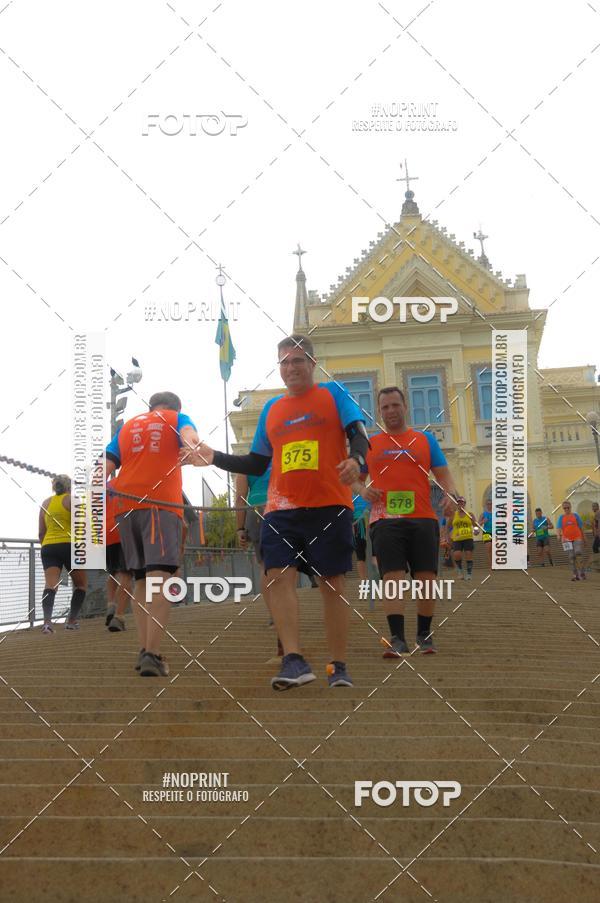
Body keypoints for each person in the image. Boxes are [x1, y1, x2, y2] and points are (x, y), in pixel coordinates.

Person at [188, 334, 369, 690]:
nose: (291, 367)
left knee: (331, 584)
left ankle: (338, 664)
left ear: (312, 364)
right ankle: (293, 659)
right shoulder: (272, 410)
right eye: (284, 362)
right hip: (280, 508)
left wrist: (356, 459)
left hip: (329, 506)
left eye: (298, 360)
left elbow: (359, 434)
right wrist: (213, 457)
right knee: (276, 576)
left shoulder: (334, 394)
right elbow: (256, 461)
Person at [354, 387, 459, 656]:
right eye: (385, 407)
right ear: (379, 411)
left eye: (395, 405)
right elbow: (354, 479)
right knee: (392, 577)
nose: (391, 411)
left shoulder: (424, 440)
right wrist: (363, 490)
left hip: (423, 517)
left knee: (425, 577)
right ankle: (397, 638)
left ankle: (424, 635)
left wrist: (452, 496)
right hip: (385, 519)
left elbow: (444, 475)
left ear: (405, 406)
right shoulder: (370, 444)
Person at [104, 391, 200, 676]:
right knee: (160, 577)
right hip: (161, 506)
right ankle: (153, 653)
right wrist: (193, 446)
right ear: (175, 407)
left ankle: (145, 649)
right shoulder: (175, 417)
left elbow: (105, 465)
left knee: (142, 579)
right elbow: (188, 434)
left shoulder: (128, 426)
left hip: (125, 508)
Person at [235, 467, 283, 657]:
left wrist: (240, 528)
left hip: (256, 511)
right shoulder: (279, 455)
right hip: (281, 508)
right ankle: (283, 612)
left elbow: (240, 498)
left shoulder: (248, 462)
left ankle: (275, 615)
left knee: (265, 566)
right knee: (282, 567)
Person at [38, 475, 88, 633]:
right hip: (69, 545)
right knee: (81, 585)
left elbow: (41, 532)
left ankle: (47, 623)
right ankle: (71, 621)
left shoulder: (45, 503)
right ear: (69, 486)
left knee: (51, 585)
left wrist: (47, 546)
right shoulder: (73, 501)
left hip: (48, 546)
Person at [105, 478, 133, 632]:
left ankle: (111, 604)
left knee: (113, 572)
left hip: (106, 532)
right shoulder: (129, 481)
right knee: (126, 575)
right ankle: (119, 616)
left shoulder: (103, 486)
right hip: (124, 530)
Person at [556, 500, 586, 581]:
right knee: (571, 557)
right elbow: (558, 528)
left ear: (570, 507)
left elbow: (581, 528)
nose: (566, 509)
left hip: (577, 537)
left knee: (578, 552)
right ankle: (575, 574)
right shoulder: (561, 517)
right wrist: (558, 536)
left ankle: (581, 573)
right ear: (563, 508)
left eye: (568, 507)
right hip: (566, 540)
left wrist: (585, 538)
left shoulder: (575, 516)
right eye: (564, 508)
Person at [450, 498, 479, 580]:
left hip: (468, 537)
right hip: (457, 538)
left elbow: (475, 525)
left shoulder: (470, 514)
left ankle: (469, 574)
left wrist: (476, 531)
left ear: (464, 504)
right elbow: (448, 526)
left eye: (462, 503)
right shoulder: (453, 515)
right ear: (457, 504)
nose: (460, 504)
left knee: (468, 555)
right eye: (458, 503)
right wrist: (446, 536)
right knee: (457, 554)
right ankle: (460, 571)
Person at [352, 492, 370, 580]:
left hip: (369, 522)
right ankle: (364, 580)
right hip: (359, 524)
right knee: (360, 554)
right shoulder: (351, 496)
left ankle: (367, 580)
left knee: (362, 554)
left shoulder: (369, 494)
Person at [479, 499, 493, 568]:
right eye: (488, 504)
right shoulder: (483, 514)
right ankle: (491, 565)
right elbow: (477, 524)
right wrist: (483, 521)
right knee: (488, 548)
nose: (489, 505)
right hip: (486, 532)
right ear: (486, 505)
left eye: (490, 504)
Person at [591, 502, 600, 572]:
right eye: (592, 507)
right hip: (597, 534)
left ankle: (597, 565)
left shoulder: (597, 513)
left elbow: (597, 524)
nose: (593, 508)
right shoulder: (596, 514)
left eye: (594, 506)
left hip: (598, 534)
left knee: (594, 547)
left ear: (597, 507)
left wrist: (597, 533)